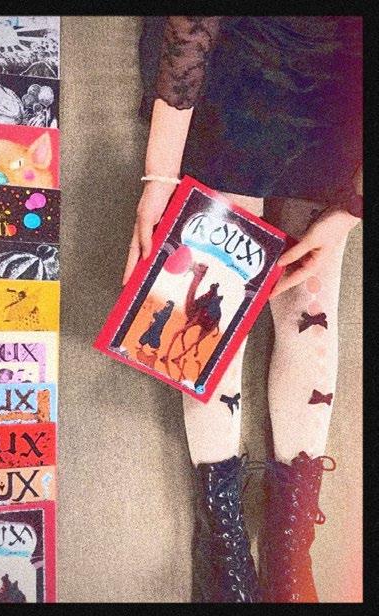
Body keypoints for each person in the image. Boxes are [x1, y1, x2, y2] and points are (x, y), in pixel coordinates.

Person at [122, 16, 362, 603]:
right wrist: (159, 178)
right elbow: (190, 28)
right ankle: (223, 536)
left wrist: (354, 207)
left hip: (341, 86)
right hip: (235, 70)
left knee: (310, 305)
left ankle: (290, 541)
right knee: (209, 306)